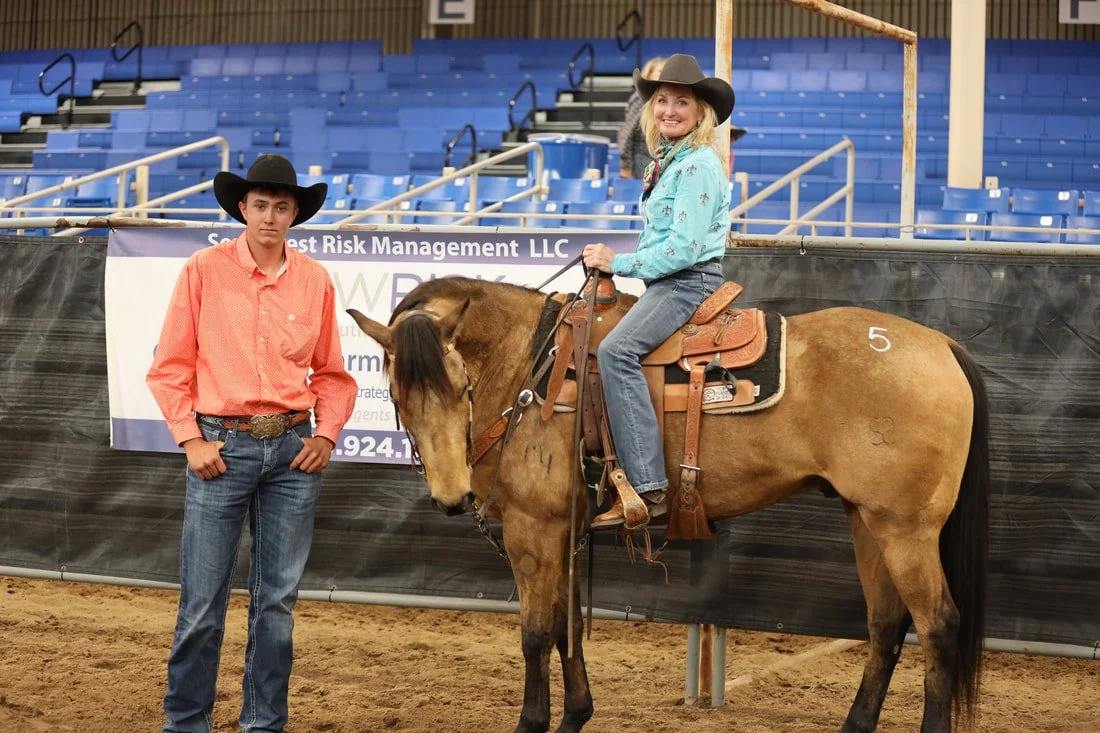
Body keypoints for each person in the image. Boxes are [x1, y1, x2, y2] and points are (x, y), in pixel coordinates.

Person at [146, 153, 358, 732]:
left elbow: (332, 374)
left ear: (294, 215)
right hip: (219, 446)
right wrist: (190, 439)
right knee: (201, 604)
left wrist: (327, 434)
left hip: (293, 451)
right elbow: (169, 367)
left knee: (277, 606)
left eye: (281, 207)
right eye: (260, 205)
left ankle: (264, 725)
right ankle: (186, 724)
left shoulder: (315, 280)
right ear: (242, 208)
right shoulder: (203, 270)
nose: (269, 216)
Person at [582, 54, 736, 527]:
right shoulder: (670, 162)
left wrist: (617, 263)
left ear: (700, 112)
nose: (670, 110)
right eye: (663, 100)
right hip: (669, 281)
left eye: (681, 102)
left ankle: (647, 488)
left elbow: (683, 249)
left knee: (616, 352)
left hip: (687, 281)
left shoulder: (697, 166)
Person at [618, 56, 665, 179]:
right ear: (649, 74)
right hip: (642, 157)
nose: (664, 75)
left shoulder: (661, 98)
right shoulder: (640, 98)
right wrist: (625, 165)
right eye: (660, 71)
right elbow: (628, 132)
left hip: (657, 157)